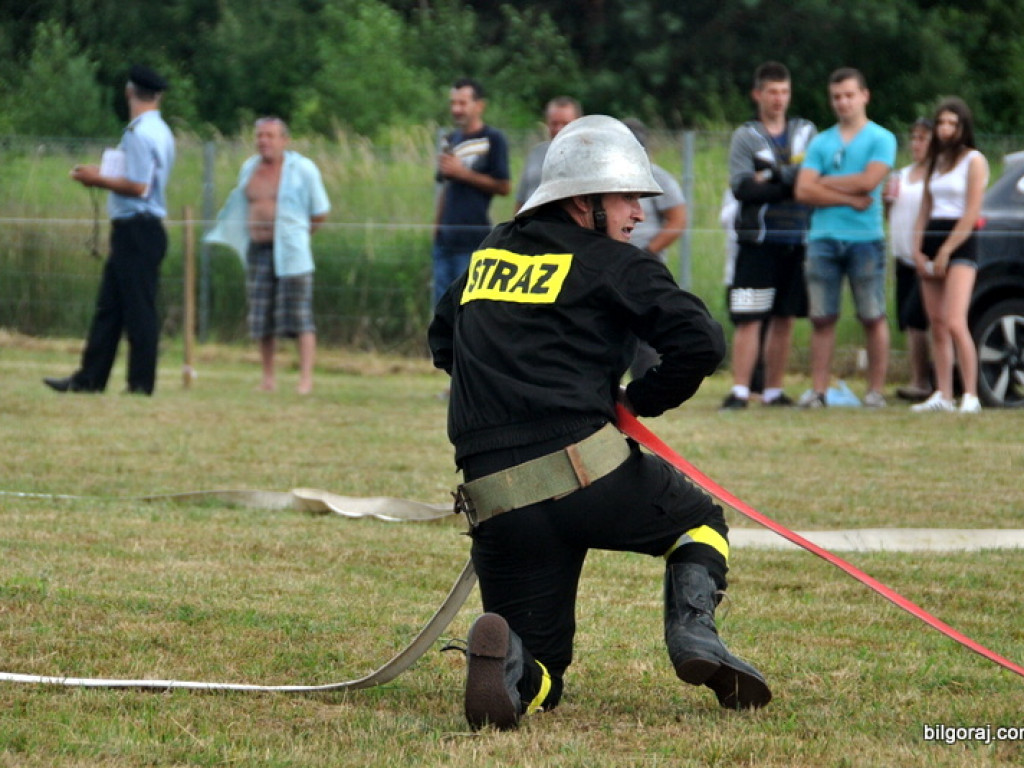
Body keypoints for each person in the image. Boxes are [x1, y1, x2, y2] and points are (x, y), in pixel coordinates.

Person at [429, 115, 771, 731]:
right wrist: (637, 402)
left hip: (497, 500)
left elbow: (441, 340)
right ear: (583, 203)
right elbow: (699, 341)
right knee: (700, 523)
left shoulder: (488, 256)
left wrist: (504, 386)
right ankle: (695, 637)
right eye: (628, 198)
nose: (640, 215)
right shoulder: (614, 264)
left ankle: (511, 672)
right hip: (590, 474)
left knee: (545, 673)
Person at [44, 65, 175, 396]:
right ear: (157, 96)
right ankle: (90, 378)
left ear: (129, 92)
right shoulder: (161, 131)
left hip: (136, 230)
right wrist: (102, 172)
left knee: (139, 310)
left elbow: (138, 185)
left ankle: (140, 383)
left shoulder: (138, 133)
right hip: (141, 231)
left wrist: (95, 179)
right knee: (111, 308)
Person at [794, 67, 897, 408]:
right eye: (837, 97)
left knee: (872, 314)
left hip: (865, 238)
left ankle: (875, 392)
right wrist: (849, 197)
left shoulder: (882, 139)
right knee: (822, 316)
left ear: (864, 96)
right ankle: (819, 390)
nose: (843, 102)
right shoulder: (821, 141)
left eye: (849, 95)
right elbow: (802, 189)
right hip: (822, 237)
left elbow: (869, 182)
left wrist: (824, 181)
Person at [205, 117, 330, 394]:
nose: (264, 141)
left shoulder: (302, 169)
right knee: (261, 316)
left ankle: (305, 380)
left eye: (270, 136)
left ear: (284, 140)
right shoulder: (249, 168)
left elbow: (320, 212)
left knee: (300, 316)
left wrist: (299, 237)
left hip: (292, 253)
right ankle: (268, 378)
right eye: (260, 135)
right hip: (257, 250)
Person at [721, 62, 817, 409]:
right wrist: (789, 182)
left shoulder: (806, 131)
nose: (779, 99)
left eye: (784, 92)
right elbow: (743, 188)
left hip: (796, 239)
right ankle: (741, 390)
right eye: (772, 92)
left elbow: (813, 177)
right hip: (757, 241)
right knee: (749, 316)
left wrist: (771, 177)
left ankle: (774, 391)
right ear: (758, 94)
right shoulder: (745, 135)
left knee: (784, 317)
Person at [910, 98, 989, 413]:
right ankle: (943, 393)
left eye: (951, 124)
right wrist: (916, 249)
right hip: (933, 236)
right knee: (938, 323)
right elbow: (925, 210)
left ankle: (970, 393)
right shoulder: (935, 162)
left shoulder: (974, 160)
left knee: (956, 320)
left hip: (960, 242)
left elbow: (970, 213)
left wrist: (946, 251)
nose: (945, 129)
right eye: (940, 123)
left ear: (962, 127)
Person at [621, 118, 689, 379]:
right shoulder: (604, 180)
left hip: (643, 263)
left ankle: (645, 387)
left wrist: (648, 253)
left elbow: (678, 220)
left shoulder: (658, 177)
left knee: (645, 331)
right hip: (610, 263)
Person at [432, 78, 510, 305]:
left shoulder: (493, 139)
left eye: (462, 103)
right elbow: (444, 188)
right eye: (453, 103)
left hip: (473, 239)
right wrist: (436, 230)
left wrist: (463, 173)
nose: (456, 109)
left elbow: (504, 186)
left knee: (467, 306)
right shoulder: (450, 139)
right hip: (444, 240)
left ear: (479, 105)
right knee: (442, 306)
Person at [885, 117, 934, 402]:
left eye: (923, 139)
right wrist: (886, 202)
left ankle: (927, 380)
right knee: (907, 319)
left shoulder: (936, 177)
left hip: (924, 257)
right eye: (913, 138)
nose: (916, 144)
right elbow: (889, 214)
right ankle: (918, 378)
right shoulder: (900, 176)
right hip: (901, 256)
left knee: (920, 319)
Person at [514, 96, 583, 214]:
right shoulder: (536, 153)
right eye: (554, 123)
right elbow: (521, 199)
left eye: (565, 123)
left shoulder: (587, 157)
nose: (559, 129)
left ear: (578, 123)